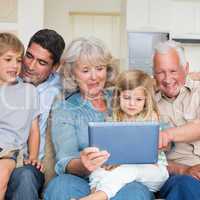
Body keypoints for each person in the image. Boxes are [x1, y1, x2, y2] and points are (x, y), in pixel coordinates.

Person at [44, 37, 154, 200]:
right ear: (72, 74)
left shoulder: (123, 97)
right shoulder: (64, 107)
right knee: (60, 186)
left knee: (136, 193)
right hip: (81, 179)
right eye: (86, 70)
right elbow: (65, 160)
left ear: (107, 70)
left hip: (124, 178)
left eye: (99, 68)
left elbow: (147, 98)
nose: (94, 77)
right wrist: (84, 165)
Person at [78, 69, 169, 200]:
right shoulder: (113, 118)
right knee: (97, 169)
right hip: (121, 170)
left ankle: (96, 197)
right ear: (118, 96)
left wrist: (119, 164)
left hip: (154, 171)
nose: (132, 103)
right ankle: (94, 193)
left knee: (127, 170)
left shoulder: (151, 118)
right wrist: (107, 161)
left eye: (138, 99)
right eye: (127, 98)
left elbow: (146, 153)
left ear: (146, 100)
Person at [5, 29, 65, 200]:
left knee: (25, 176)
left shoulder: (60, 92)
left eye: (41, 62)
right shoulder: (7, 78)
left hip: (27, 167)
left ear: (55, 67)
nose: (30, 66)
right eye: (29, 56)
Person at [153, 40, 200, 200]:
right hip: (178, 176)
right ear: (153, 73)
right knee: (185, 185)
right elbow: (147, 160)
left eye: (173, 71)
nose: (167, 79)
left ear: (185, 68)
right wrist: (184, 171)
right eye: (160, 72)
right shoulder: (145, 102)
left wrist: (167, 134)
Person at [0, 33, 41, 200]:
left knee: (1, 176)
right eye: (8, 59)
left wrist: (33, 156)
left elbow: (34, 129)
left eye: (18, 60)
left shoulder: (29, 91)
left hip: (10, 151)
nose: (14, 65)